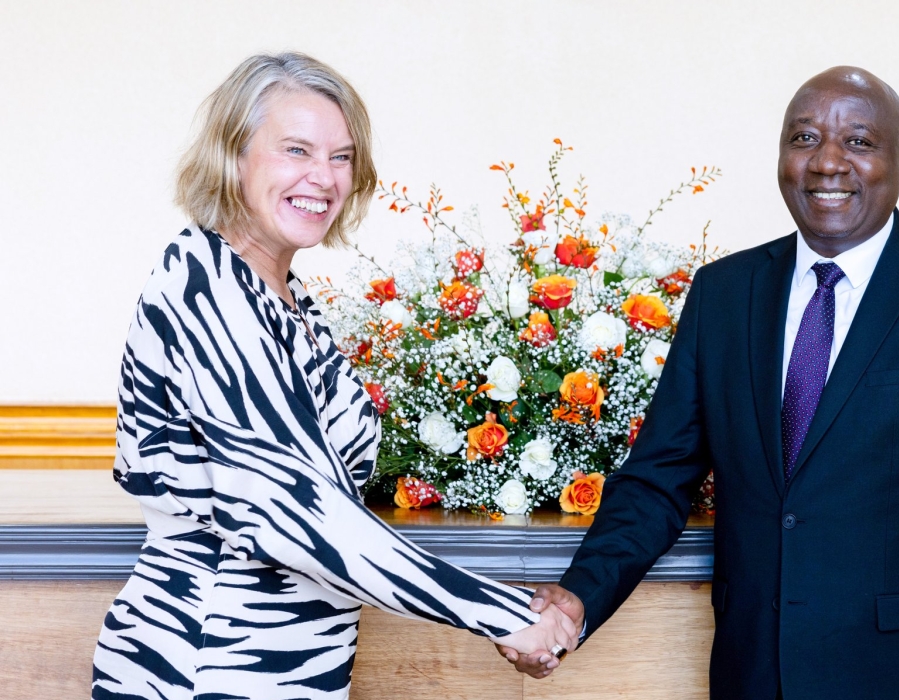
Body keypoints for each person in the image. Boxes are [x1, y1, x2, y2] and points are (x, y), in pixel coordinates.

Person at [501, 66, 899, 699]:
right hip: (754, 676)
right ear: (780, 156)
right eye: (803, 139)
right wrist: (578, 598)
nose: (827, 162)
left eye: (858, 141)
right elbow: (658, 479)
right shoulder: (724, 295)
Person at [92, 52, 576, 700]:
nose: (323, 177)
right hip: (204, 665)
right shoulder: (202, 284)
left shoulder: (287, 300)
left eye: (342, 157)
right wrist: (504, 615)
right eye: (297, 149)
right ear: (233, 156)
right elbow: (299, 514)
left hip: (293, 674)